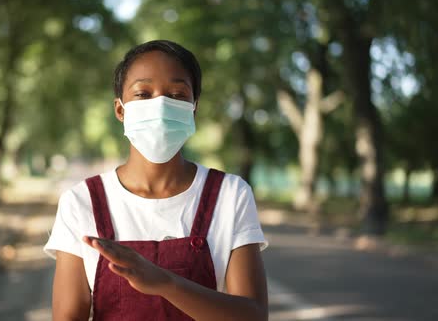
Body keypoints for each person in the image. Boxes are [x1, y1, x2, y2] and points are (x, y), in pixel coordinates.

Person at [43, 39, 269, 321]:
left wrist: (166, 283)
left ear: (193, 108)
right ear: (120, 110)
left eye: (177, 94)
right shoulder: (81, 202)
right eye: (143, 93)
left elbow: (254, 315)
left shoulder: (230, 194)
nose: (161, 104)